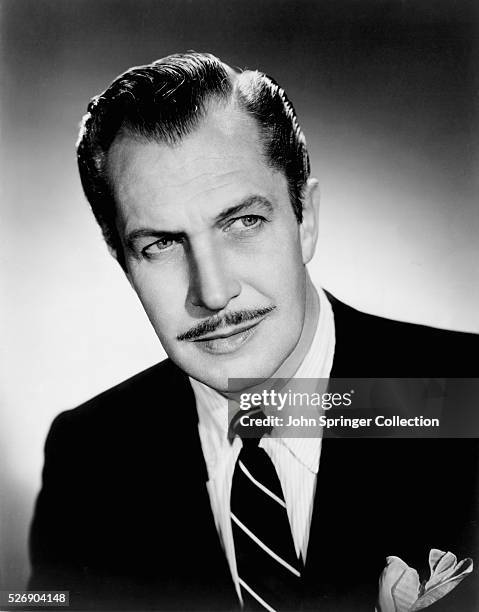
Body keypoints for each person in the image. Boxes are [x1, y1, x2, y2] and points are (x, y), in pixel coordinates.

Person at [28, 52, 478, 611]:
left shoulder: (467, 394)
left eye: (243, 222)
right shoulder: (89, 460)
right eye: (161, 244)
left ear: (305, 219)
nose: (213, 294)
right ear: (122, 260)